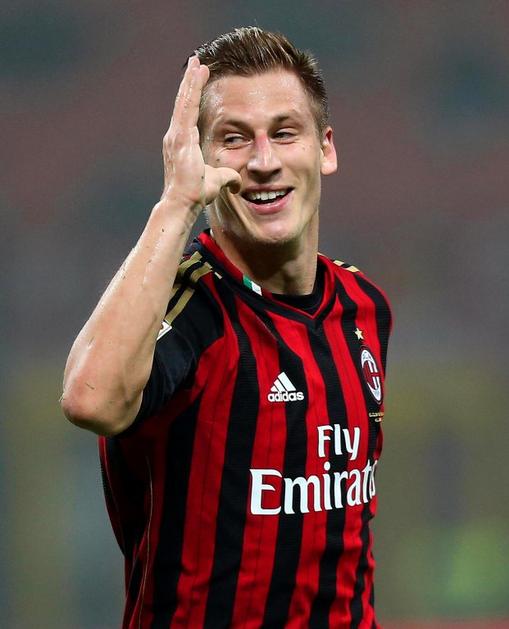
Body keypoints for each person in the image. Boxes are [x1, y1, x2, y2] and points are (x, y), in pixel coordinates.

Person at [61, 26, 392, 629]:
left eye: (284, 133)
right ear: (201, 159)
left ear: (325, 148)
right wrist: (176, 204)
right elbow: (91, 399)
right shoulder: (187, 310)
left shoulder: (364, 307)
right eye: (234, 139)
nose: (264, 162)